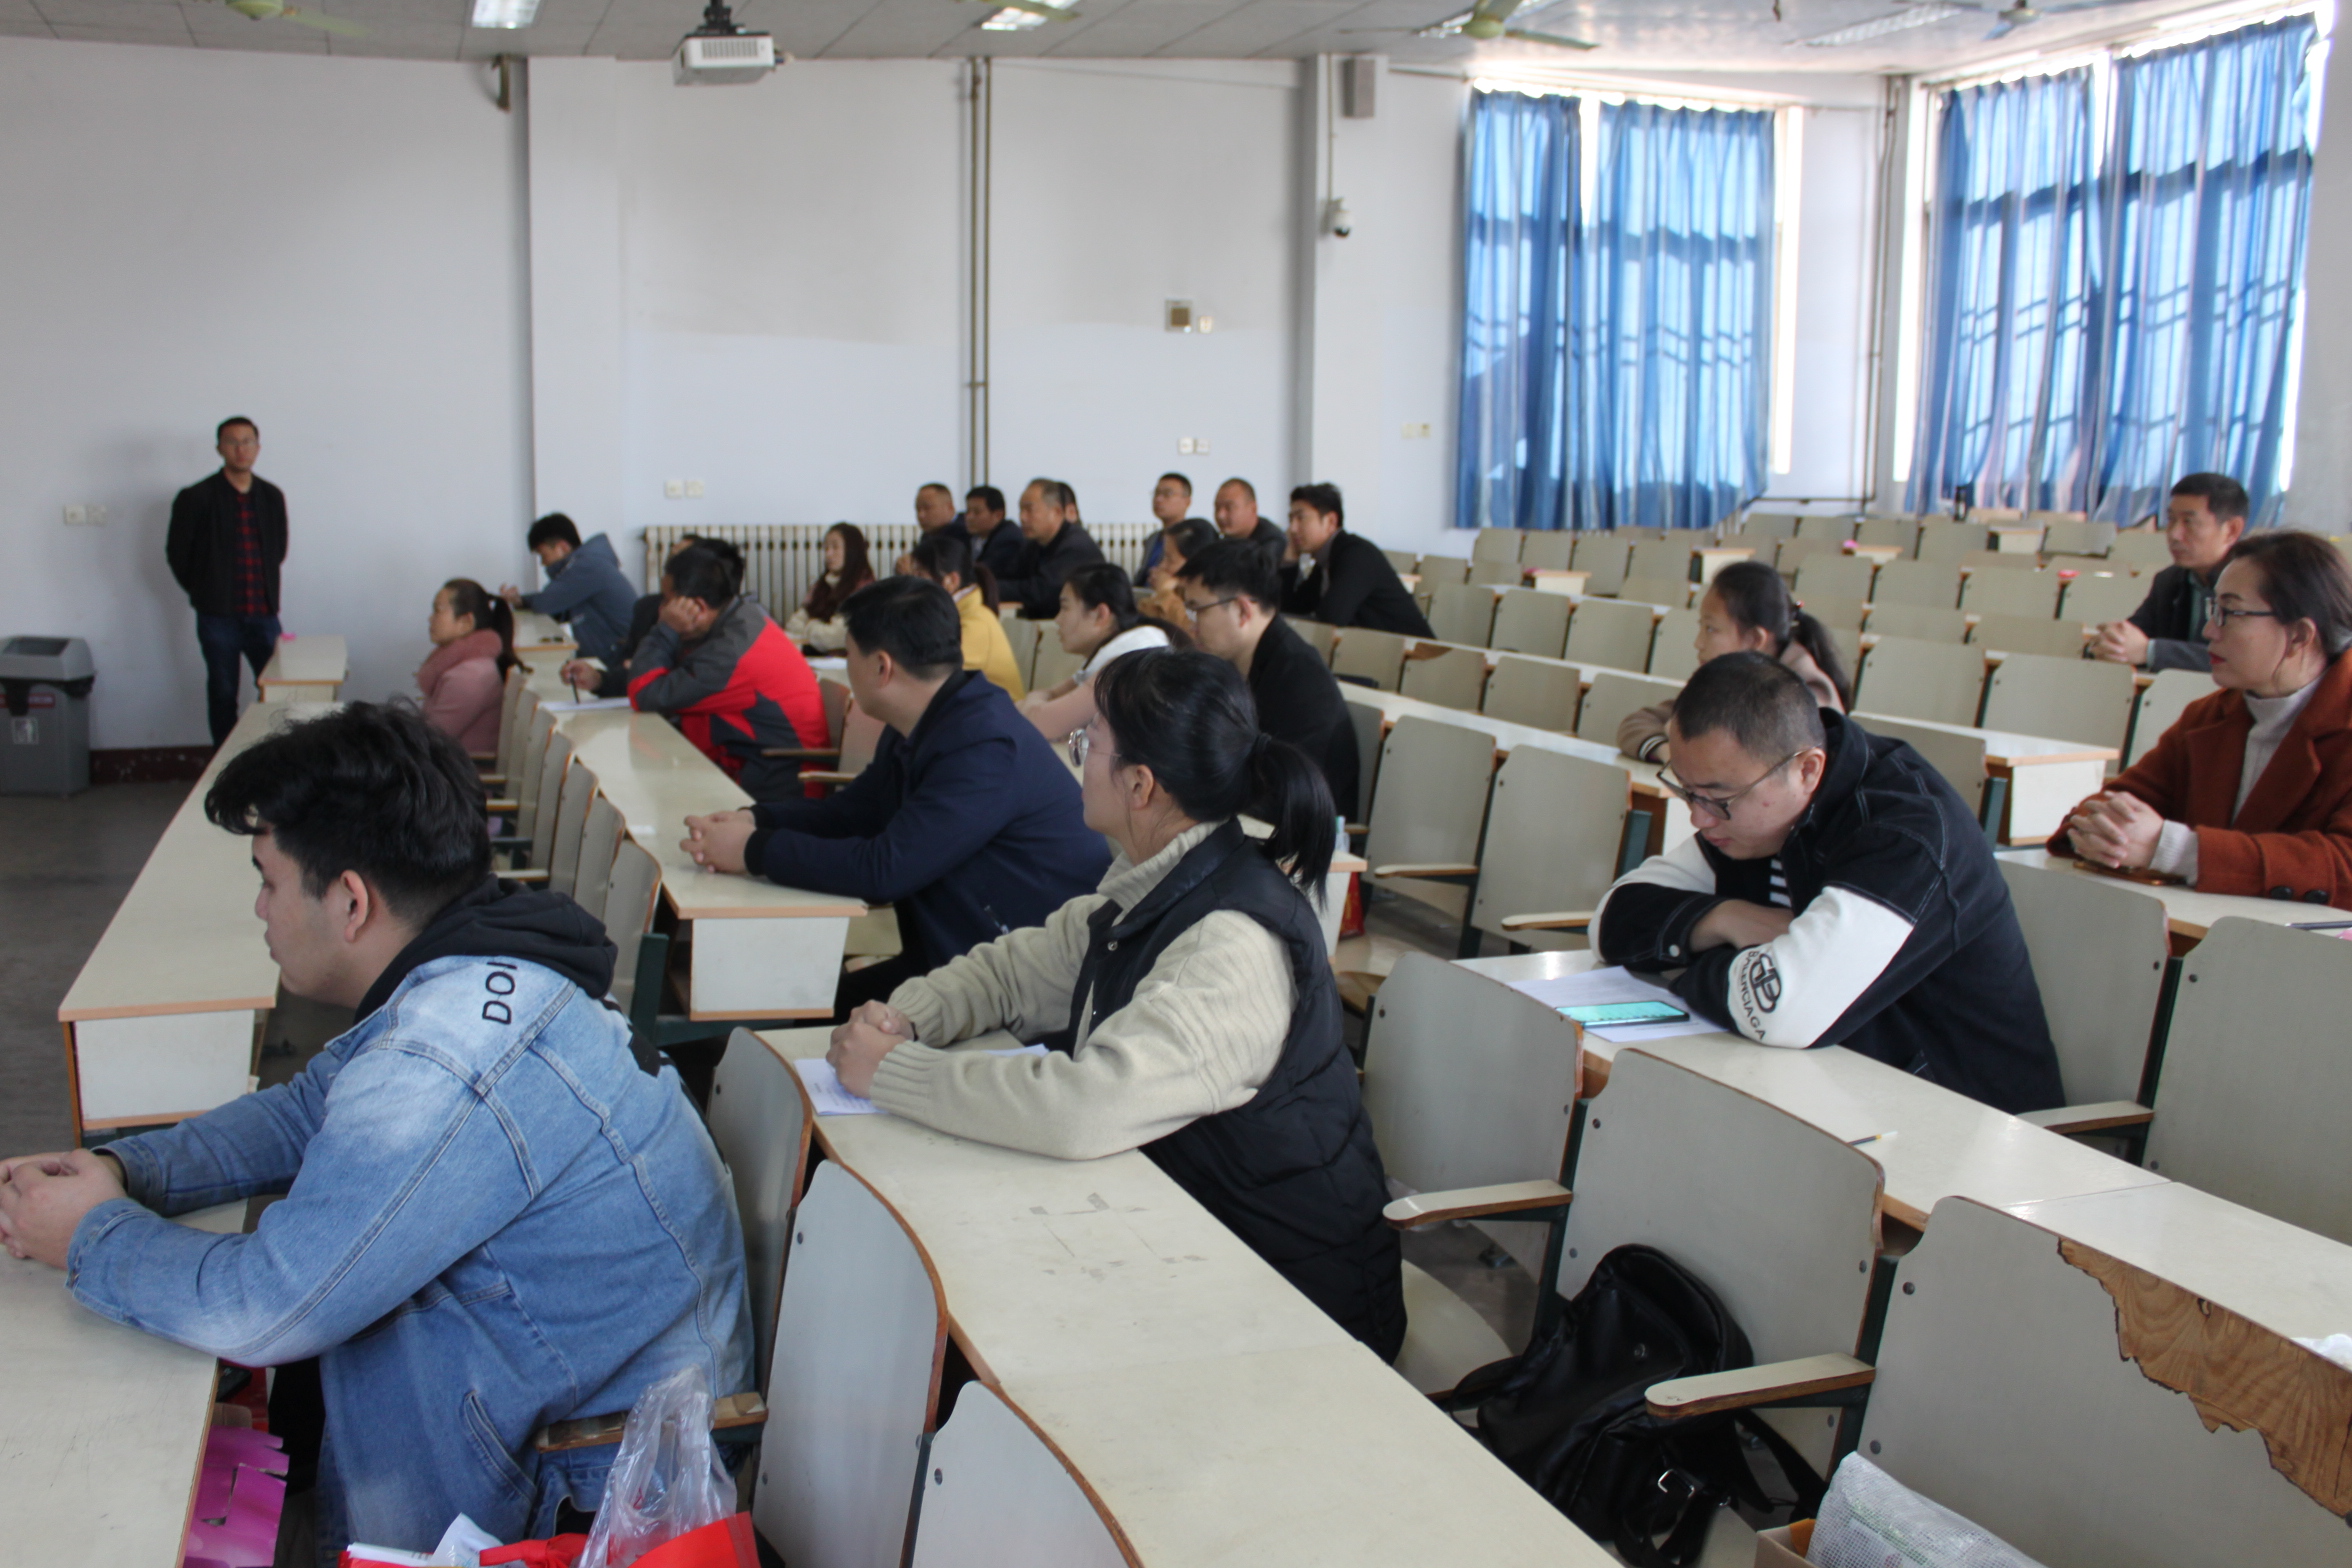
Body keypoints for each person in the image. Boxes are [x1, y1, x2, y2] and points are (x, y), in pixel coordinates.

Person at [0, 704, 751, 1556]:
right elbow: (306, 1109)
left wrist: (91, 1237)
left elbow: (268, 1306)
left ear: (351, 901)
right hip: (557, 1380)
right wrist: (119, 1171)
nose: (259, 909)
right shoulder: (483, 963)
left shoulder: (448, 1059)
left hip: (591, 1490)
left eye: (269, 881)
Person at [822, 649, 1405, 1357]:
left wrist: (894, 1072)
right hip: (1186, 1231)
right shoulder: (1158, 878)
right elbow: (1018, 970)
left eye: (1087, 743)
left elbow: (1084, 1108)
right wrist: (908, 1016)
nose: (1076, 759)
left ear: (1139, 785)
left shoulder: (1229, 945)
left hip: (1294, 1302)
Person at [1594, 653, 2064, 1115]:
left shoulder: (1906, 834)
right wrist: (1724, 918)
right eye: (1685, 790)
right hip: (1839, 1092)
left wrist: (1685, 967)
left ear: (1807, 770)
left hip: (1963, 1119)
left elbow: (1781, 1011)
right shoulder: (1750, 819)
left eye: (1718, 798)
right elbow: (1611, 921)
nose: (1698, 818)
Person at [679, 578, 1110, 1015]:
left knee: (813, 1014)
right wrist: (756, 820)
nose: (847, 665)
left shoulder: (985, 746)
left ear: (881, 667)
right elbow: (853, 813)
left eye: (849, 654)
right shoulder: (929, 719)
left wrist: (753, 850)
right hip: (961, 960)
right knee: (803, 1005)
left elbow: (885, 870)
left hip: (1028, 988)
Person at [2053, 530, 2352, 904]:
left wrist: (2174, 849)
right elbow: (2115, 804)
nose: (2208, 630)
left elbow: (2344, 867)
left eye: (2230, 613)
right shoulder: (2210, 716)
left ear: (2299, 636)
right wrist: (2102, 830)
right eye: (2213, 610)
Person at [628, 544, 828, 800]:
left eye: (668, 601)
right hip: (755, 768)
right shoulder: (739, 620)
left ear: (697, 607)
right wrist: (604, 680)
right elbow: (672, 678)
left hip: (780, 788)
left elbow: (646, 693)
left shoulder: (731, 653)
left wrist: (665, 629)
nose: (662, 610)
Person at [1178, 539, 1359, 817]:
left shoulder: (1299, 677)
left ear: (1242, 610)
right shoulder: (1232, 664)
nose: (1191, 625)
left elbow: (1285, 794)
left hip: (1294, 828)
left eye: (1197, 610)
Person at [1618, 561, 1852, 764]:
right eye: (1701, 626)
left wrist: (1682, 740)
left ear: (1755, 639)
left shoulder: (1807, 696)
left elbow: (1750, 761)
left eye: (1711, 629)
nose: (1698, 643)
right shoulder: (1728, 681)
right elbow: (1638, 723)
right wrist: (1665, 750)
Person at [167, 416, 289, 746]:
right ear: (220, 448)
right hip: (218, 616)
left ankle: (274, 756)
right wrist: (204, 591)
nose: (241, 449)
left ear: (257, 447)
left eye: (247, 441)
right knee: (223, 692)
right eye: (232, 442)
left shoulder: (271, 496)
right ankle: (225, 761)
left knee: (277, 689)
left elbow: (277, 551)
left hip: (263, 612)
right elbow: (178, 555)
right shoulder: (197, 496)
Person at [2091, 473, 2250, 673]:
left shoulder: (2256, 586)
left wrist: (2150, 651)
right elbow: (2134, 635)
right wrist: (2111, 642)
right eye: (2171, 520)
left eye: (2189, 522)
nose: (2174, 534)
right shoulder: (2169, 580)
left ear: (2231, 530)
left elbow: (2242, 658)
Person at [1018, 563, 1184, 740]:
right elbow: (1049, 699)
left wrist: (1033, 699)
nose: (1057, 620)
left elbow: (1041, 724)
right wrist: (1036, 703)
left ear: (1100, 614)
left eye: (1065, 607)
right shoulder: (1121, 649)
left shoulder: (1126, 661)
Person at [562, 534, 727, 698]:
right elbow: (627, 672)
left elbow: (676, 689)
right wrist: (599, 680)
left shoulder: (718, 629)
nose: (672, 564)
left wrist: (647, 666)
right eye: (672, 557)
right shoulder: (646, 608)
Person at [1279, 482, 1433, 637]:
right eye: (1291, 519)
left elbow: (1331, 619)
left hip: (1414, 649)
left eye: (1300, 518)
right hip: (1374, 647)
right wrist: (1289, 561)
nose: (1292, 528)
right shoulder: (1326, 560)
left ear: (1330, 521)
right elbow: (1292, 608)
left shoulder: (1356, 554)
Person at [500, 514, 639, 667]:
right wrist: (520, 601)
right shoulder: (589, 563)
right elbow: (559, 609)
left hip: (620, 657)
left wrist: (522, 600)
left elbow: (546, 603)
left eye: (543, 554)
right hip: (615, 651)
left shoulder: (588, 565)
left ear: (563, 546)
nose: (543, 563)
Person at [905, 530, 1026, 698]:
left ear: (951, 581)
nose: (912, 587)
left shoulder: (976, 623)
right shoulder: (952, 616)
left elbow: (935, 681)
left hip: (996, 713)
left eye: (920, 576)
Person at [416, 578, 517, 754]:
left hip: (462, 769)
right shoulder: (466, 667)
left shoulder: (469, 676)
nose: (430, 618)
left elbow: (430, 741)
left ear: (466, 622)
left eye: (438, 610)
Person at [997, 478, 1106, 618]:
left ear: (1056, 512)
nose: (1022, 517)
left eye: (1029, 510)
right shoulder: (1034, 544)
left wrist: (989, 589)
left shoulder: (1076, 546)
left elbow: (1042, 592)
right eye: (1021, 510)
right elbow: (1010, 575)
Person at [786, 523, 875, 654]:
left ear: (852, 551)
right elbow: (793, 623)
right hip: (818, 654)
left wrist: (810, 626)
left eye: (835, 547)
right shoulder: (823, 584)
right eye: (826, 548)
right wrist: (818, 632)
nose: (828, 554)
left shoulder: (864, 588)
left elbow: (836, 637)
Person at [1139, 517, 1221, 626]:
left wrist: (1164, 594)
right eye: (1163, 557)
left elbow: (1189, 630)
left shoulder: (1213, 600)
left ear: (1195, 563)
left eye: (1170, 559)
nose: (1162, 565)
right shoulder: (1177, 591)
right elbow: (1142, 621)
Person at [1132, 472, 1195, 584]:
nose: (1158, 499)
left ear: (1187, 501)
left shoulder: (1191, 539)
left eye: (1167, 494)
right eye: (1156, 493)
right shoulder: (1152, 538)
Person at [1213, 477, 1289, 569]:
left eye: (1229, 508)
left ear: (1253, 508)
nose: (1220, 515)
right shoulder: (1222, 540)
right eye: (1217, 508)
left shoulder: (1272, 541)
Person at [964, 483, 1024, 583]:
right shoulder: (973, 536)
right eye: (967, 511)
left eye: (977, 512)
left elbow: (983, 574)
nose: (969, 517)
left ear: (998, 515)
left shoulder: (1008, 539)